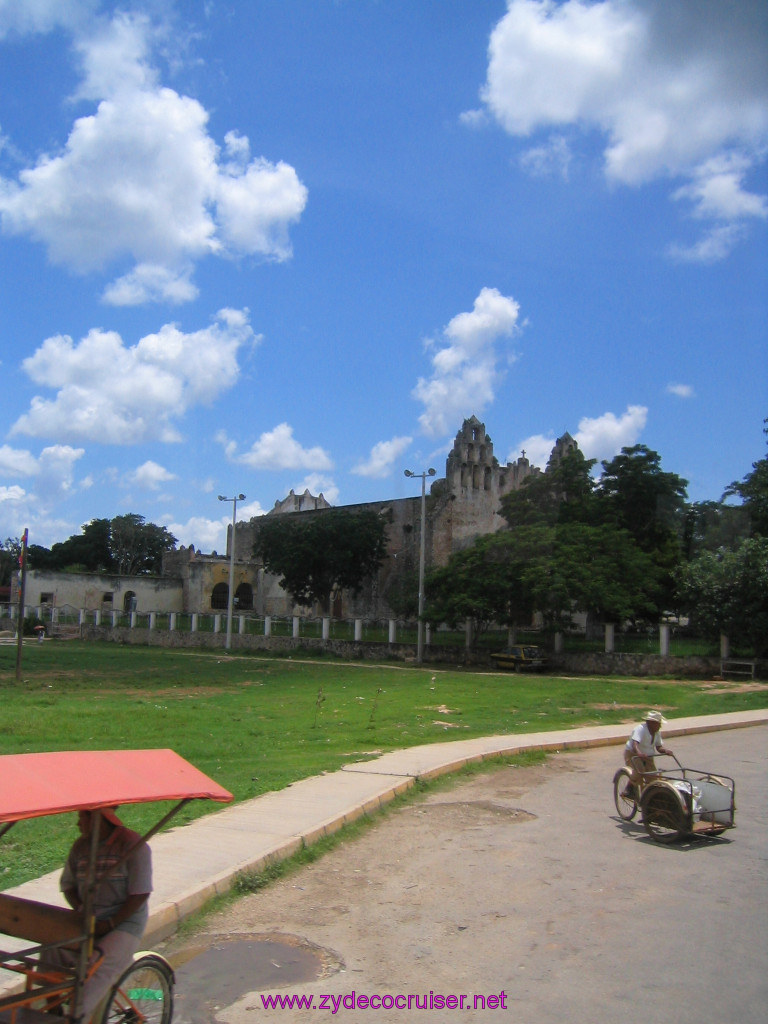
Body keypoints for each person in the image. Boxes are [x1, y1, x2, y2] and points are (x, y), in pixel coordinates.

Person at [53, 806, 152, 1022]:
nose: (78, 824)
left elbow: (140, 893)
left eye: (81, 818)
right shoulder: (80, 847)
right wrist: (82, 910)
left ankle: (77, 1017)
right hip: (89, 920)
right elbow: (68, 886)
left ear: (97, 819)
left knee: (98, 967)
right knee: (52, 951)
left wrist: (110, 924)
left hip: (124, 923)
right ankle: (53, 1006)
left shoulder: (133, 846)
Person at [623, 710, 673, 795]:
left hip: (647, 756)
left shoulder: (657, 733)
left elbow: (658, 747)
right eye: (658, 723)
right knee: (640, 771)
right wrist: (639, 753)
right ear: (651, 723)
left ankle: (648, 795)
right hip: (633, 754)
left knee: (653, 778)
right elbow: (635, 744)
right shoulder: (640, 729)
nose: (660, 726)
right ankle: (629, 788)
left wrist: (665, 751)